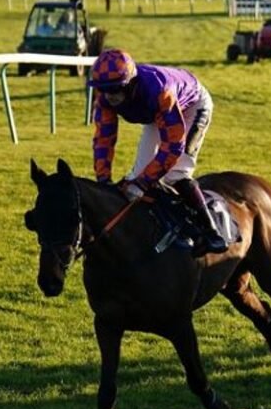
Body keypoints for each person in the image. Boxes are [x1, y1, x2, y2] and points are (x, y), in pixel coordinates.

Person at [87, 49, 228, 255]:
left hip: (191, 105)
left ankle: (212, 232)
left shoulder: (159, 91)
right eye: (104, 89)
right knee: (136, 176)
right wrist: (103, 180)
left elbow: (173, 146)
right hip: (157, 114)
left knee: (175, 173)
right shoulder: (105, 99)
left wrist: (143, 183)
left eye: (116, 89)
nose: (110, 96)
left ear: (131, 83)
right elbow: (103, 140)